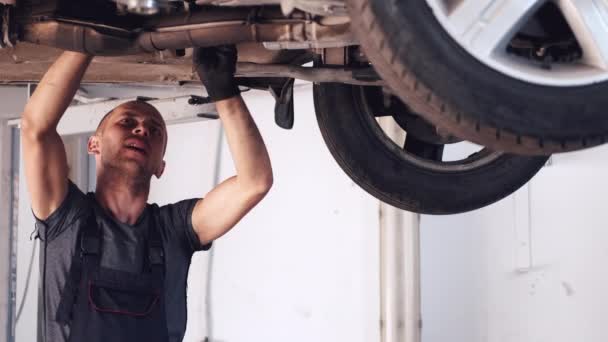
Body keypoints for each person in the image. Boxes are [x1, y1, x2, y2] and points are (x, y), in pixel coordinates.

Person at [20, 46, 273, 342]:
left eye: (155, 131)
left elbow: (254, 182)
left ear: (160, 167)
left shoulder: (173, 230)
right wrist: (86, 42)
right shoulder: (66, 217)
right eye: (127, 122)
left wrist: (224, 92)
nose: (141, 131)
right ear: (94, 145)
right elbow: (36, 128)